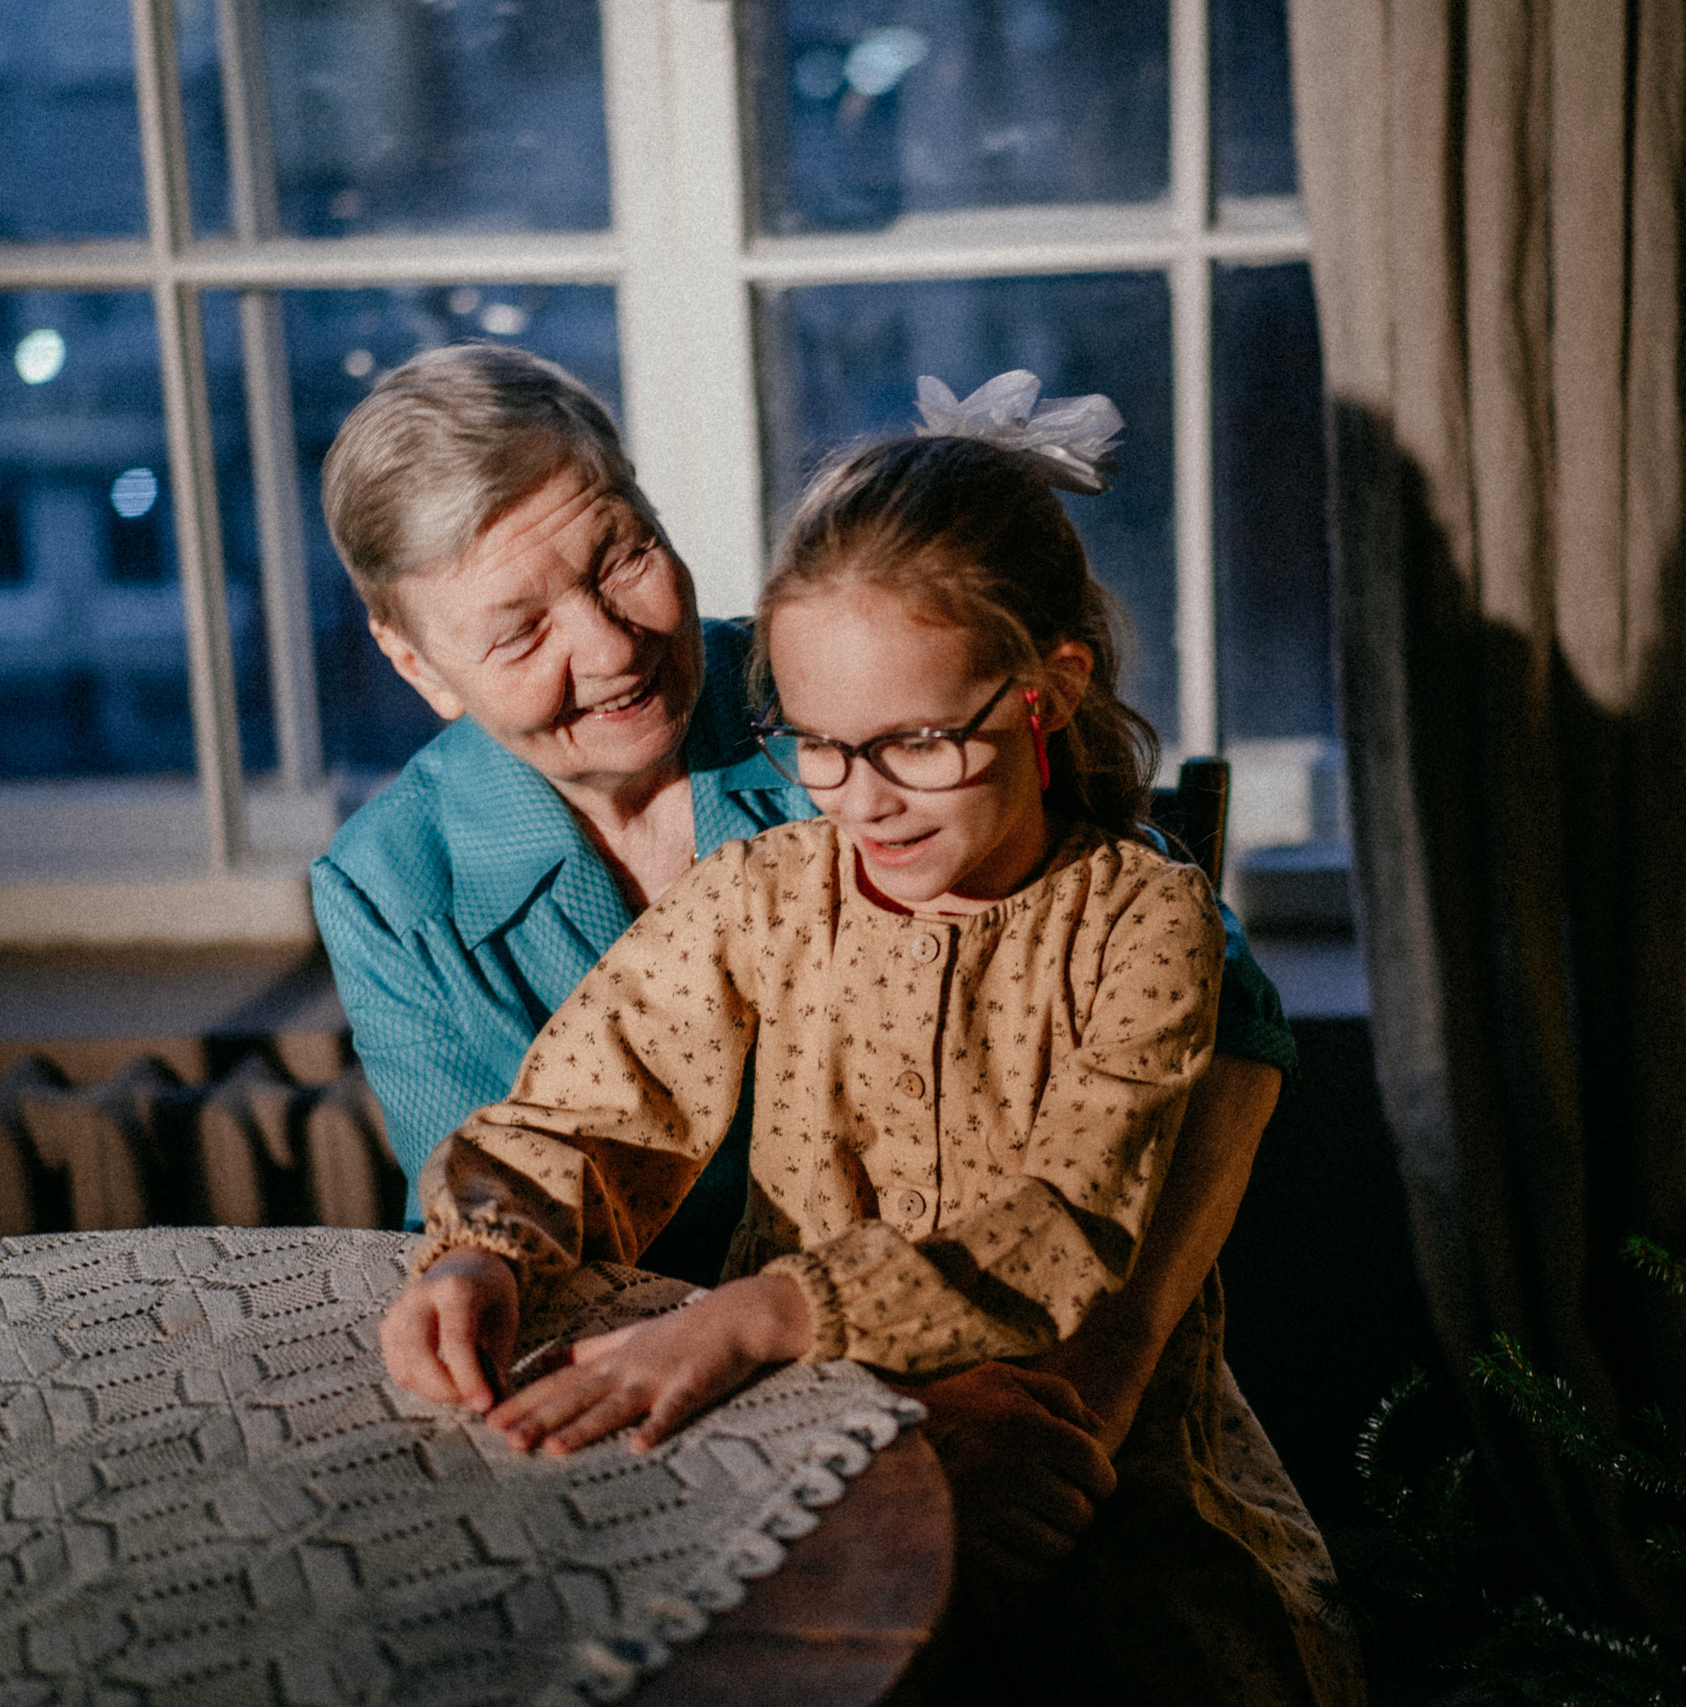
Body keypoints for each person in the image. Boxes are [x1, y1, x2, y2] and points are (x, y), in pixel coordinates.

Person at [380, 417, 1356, 1706]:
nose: (863, 799)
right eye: (821, 747)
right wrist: (480, 1246)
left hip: (1087, 1463)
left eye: (917, 743)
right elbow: (588, 1106)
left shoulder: (1142, 920)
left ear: (1048, 690)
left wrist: (766, 1313)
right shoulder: (764, 896)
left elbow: (1061, 1228)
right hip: (801, 1430)